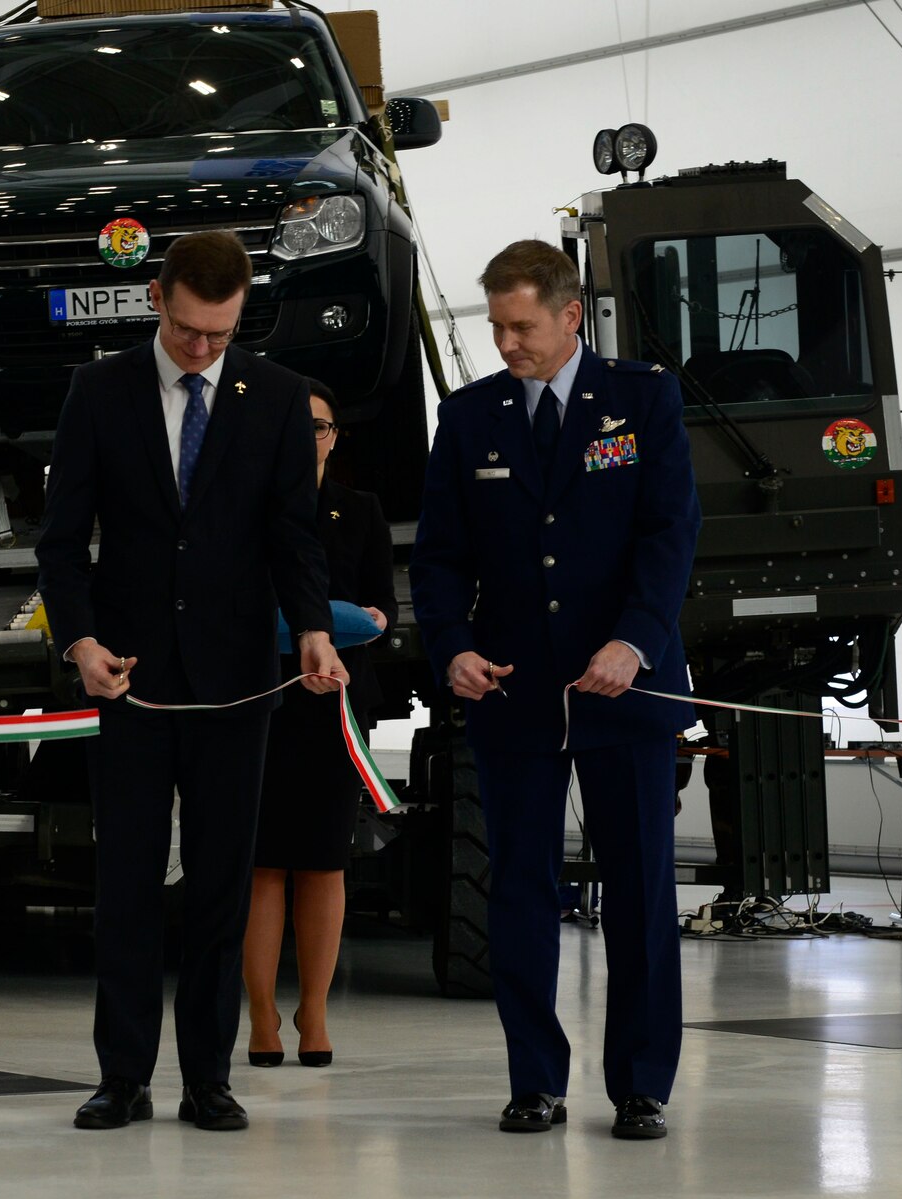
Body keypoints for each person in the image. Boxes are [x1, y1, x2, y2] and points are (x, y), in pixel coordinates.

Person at [36, 230, 349, 1133]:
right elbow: (62, 544)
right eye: (186, 331)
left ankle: (208, 1078)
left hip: (235, 684)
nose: (201, 349)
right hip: (128, 681)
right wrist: (80, 642)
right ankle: (122, 1077)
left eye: (220, 333)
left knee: (221, 886)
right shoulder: (99, 392)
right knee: (128, 886)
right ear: (155, 299)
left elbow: (295, 540)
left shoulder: (280, 400)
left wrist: (316, 635)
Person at [410, 239, 701, 1140]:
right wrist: (453, 648)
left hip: (625, 690)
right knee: (520, 894)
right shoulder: (467, 417)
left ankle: (642, 1083)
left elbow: (670, 534)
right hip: (513, 693)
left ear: (571, 316)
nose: (507, 343)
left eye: (522, 326)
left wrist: (636, 643)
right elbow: (440, 557)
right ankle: (534, 1079)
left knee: (641, 890)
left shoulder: (641, 398)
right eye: (496, 327)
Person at [242, 379, 398, 1070]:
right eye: (294, 425)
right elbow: (238, 612)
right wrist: (318, 625)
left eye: (320, 427)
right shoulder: (240, 508)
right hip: (262, 700)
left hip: (334, 705)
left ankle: (315, 1010)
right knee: (263, 863)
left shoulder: (360, 511)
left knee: (324, 860)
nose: (309, 437)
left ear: (336, 436)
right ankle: (263, 1016)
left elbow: (379, 615)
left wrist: (334, 628)